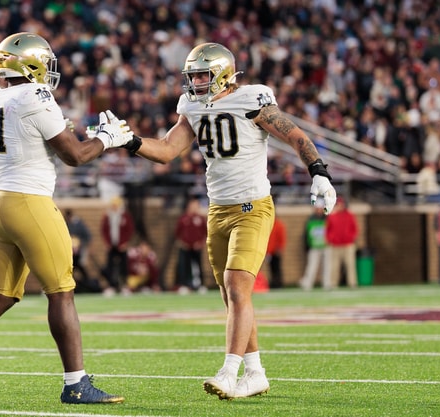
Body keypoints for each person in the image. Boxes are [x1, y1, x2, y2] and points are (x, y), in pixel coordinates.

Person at [0, 32, 131, 406]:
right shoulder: (36, 95)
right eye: (45, 62)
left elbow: (35, 139)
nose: (49, 69)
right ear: (31, 64)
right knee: (61, 291)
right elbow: (76, 156)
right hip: (28, 200)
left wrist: (83, 136)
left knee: (1, 293)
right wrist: (108, 138)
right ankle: (76, 383)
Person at [112, 42, 337, 399]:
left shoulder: (252, 99)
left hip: (253, 206)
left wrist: (318, 172)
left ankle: (229, 372)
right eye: (193, 76)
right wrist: (130, 140)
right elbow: (168, 150)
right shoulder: (192, 107)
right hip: (217, 210)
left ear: (222, 74)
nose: (196, 82)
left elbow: (294, 135)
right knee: (232, 296)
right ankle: (256, 372)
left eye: (202, 74)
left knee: (236, 286)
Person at [100, 196, 135, 295]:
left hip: (122, 245)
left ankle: (124, 286)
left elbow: (129, 230)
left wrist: (125, 242)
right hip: (111, 245)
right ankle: (111, 286)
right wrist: (107, 243)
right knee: (110, 266)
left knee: (124, 266)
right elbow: (104, 230)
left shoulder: (125, 216)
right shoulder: (107, 216)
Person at [174, 196, 207, 293]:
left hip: (197, 247)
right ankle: (184, 285)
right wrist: (182, 243)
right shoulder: (183, 218)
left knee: (199, 266)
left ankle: (201, 285)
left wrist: (201, 243)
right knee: (184, 266)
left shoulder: (200, 219)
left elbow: (205, 233)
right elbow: (177, 233)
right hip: (186, 247)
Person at [323, 197, 358, 290]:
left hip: (347, 244)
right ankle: (333, 284)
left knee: (350, 265)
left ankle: (352, 283)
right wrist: (330, 239)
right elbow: (327, 230)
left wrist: (351, 237)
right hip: (335, 245)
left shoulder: (350, 215)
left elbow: (354, 229)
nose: (339, 206)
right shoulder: (332, 216)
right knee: (334, 266)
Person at [299, 204, 327, 291]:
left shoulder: (327, 219)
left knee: (327, 266)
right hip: (314, 246)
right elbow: (307, 234)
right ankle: (308, 283)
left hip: (326, 245)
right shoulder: (310, 219)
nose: (319, 210)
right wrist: (307, 246)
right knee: (311, 266)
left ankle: (327, 283)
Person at [264, 216, 286, 289]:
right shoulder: (267, 224)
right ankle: (273, 282)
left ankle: (278, 283)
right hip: (268, 251)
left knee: (276, 268)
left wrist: (280, 248)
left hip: (275, 251)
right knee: (271, 268)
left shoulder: (278, 225)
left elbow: (281, 237)